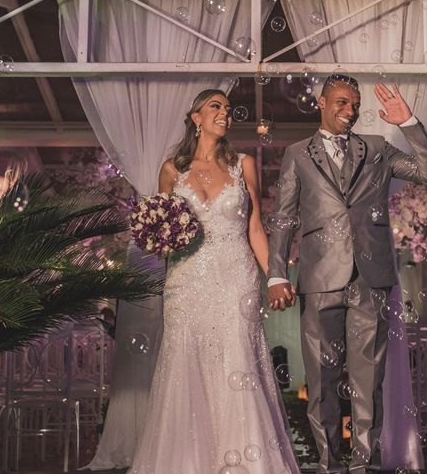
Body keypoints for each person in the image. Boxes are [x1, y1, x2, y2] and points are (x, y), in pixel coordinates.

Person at [265, 75, 427, 474]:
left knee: (369, 382)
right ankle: (330, 466)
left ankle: (366, 466)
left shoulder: (378, 149)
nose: (350, 110)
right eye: (342, 102)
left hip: (371, 278)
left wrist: (408, 122)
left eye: (355, 104)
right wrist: (277, 274)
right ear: (322, 103)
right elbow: (283, 217)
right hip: (319, 278)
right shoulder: (297, 153)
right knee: (322, 382)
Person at [128, 89, 300, 473]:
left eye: (227, 108)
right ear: (196, 117)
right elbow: (161, 226)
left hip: (235, 276)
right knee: (185, 365)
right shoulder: (172, 168)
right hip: (186, 280)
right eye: (215, 107)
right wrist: (157, 236)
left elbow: (255, 226)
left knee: (238, 363)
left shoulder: (244, 164)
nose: (225, 114)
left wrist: (275, 275)